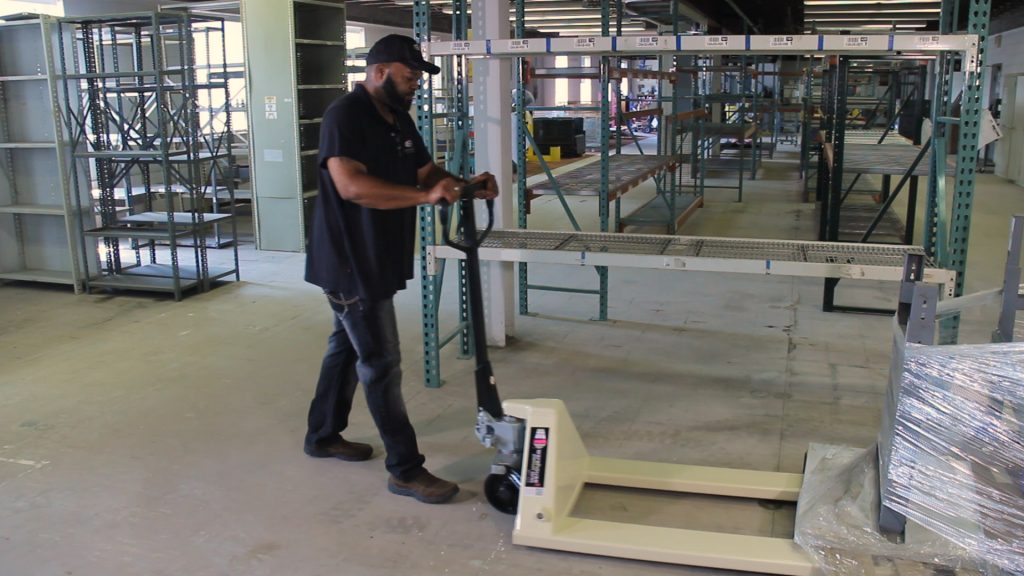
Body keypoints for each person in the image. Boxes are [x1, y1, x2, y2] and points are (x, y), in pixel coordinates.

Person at [303, 34, 498, 505]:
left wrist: (463, 185)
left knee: (346, 350)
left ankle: (323, 435)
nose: (415, 86)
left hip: (380, 255)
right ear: (379, 72)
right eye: (409, 77)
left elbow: (426, 173)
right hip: (351, 261)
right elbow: (350, 186)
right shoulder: (344, 116)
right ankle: (405, 470)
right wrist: (424, 198)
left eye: (416, 79)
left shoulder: (398, 118)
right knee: (381, 362)